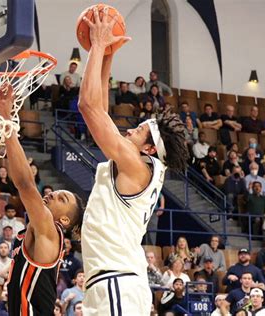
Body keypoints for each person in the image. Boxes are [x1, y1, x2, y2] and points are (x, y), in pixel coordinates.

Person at [78, 11, 188, 314]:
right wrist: (107, 56)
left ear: (151, 148)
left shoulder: (138, 167)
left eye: (138, 131)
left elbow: (87, 106)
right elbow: (98, 106)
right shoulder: (141, 166)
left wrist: (98, 45)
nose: (129, 130)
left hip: (116, 281)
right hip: (116, 280)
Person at [0, 82, 84, 314]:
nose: (53, 194)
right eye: (57, 193)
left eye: (62, 199)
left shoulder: (50, 230)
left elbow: (25, 184)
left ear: (64, 221)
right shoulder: (37, 231)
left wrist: (6, 119)